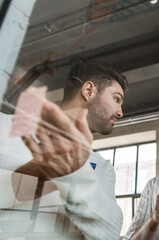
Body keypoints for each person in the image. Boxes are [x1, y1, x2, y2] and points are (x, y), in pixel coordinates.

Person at [0, 60, 128, 239]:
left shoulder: (101, 167)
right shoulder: (4, 127)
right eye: (116, 99)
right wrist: (29, 177)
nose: (120, 112)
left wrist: (74, 176)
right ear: (89, 91)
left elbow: (110, 233)